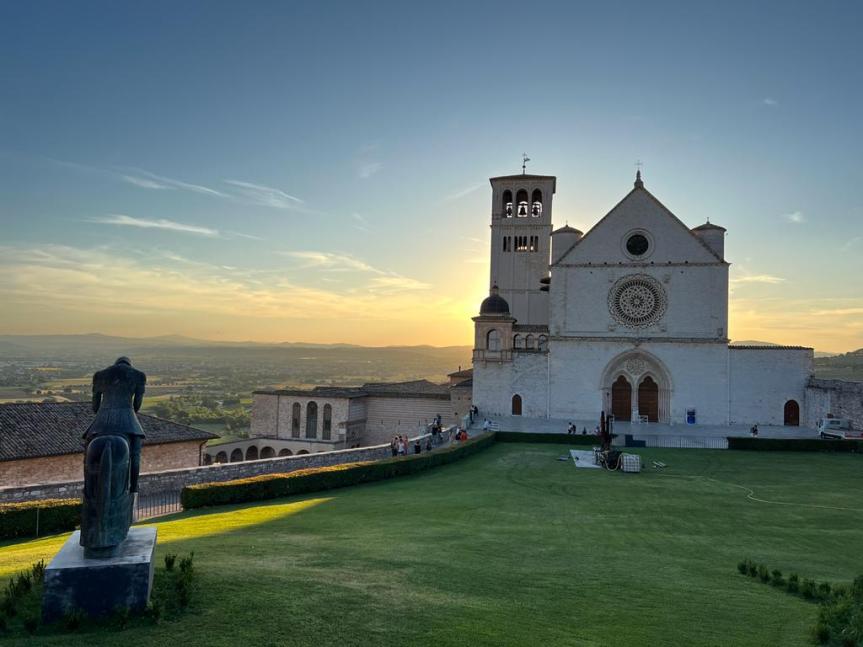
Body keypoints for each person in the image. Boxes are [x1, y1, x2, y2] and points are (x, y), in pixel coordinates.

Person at [80, 357, 146, 557]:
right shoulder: (138, 376)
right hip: (127, 421)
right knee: (134, 455)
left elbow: (94, 406)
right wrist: (126, 413)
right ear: (129, 364)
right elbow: (137, 405)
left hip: (101, 422)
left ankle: (86, 489)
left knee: (88, 455)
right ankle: (134, 486)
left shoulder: (100, 375)